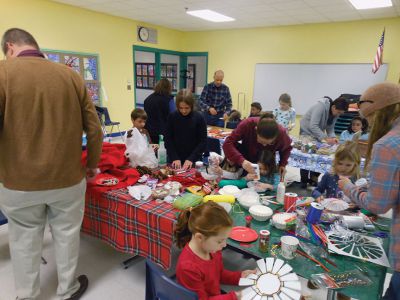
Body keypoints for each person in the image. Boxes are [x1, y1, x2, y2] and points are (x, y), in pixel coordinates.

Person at [0, 28, 103, 299]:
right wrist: (92, 164)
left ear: (9, 47)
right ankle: (66, 290)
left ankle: (27, 294)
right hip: (67, 179)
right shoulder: (71, 76)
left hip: (18, 181)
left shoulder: (3, 74)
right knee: (67, 236)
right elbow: (94, 129)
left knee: (23, 241)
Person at [338, 82, 400, 300]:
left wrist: (349, 187)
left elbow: (378, 205)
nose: (370, 126)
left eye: (371, 120)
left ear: (380, 112)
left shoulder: (388, 143)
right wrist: (367, 187)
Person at [174, 201, 256, 299]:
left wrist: (240, 276)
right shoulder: (188, 268)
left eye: (225, 239)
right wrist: (236, 296)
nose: (224, 245)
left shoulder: (213, 250)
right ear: (199, 237)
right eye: (220, 241)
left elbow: (218, 274)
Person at [299, 96, 349, 188]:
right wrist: (325, 138)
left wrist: (333, 138)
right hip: (306, 132)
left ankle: (313, 178)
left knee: (322, 154)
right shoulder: (320, 106)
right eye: (338, 112)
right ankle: (304, 180)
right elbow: (313, 126)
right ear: (333, 107)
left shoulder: (335, 114)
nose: (338, 115)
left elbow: (330, 128)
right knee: (307, 154)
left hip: (316, 133)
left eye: (340, 113)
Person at [222, 115, 292, 178]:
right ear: (256, 130)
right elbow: (228, 143)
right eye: (261, 141)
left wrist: (282, 164)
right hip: (246, 154)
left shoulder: (282, 133)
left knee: (263, 181)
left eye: (269, 143)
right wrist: (241, 161)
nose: (264, 145)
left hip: (265, 160)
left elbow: (287, 148)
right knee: (242, 179)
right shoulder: (247, 124)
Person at [165, 89, 207, 170]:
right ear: (177, 106)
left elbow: (203, 142)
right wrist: (174, 157)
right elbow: (168, 139)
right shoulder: (172, 117)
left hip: (193, 159)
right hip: (175, 159)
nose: (183, 111)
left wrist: (191, 158)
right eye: (181, 108)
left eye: (187, 108)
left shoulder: (199, 118)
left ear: (191, 105)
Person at [144, 78, 173, 144]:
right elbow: (173, 116)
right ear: (169, 88)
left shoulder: (147, 99)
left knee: (152, 151)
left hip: (150, 132)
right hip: (164, 133)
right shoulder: (169, 99)